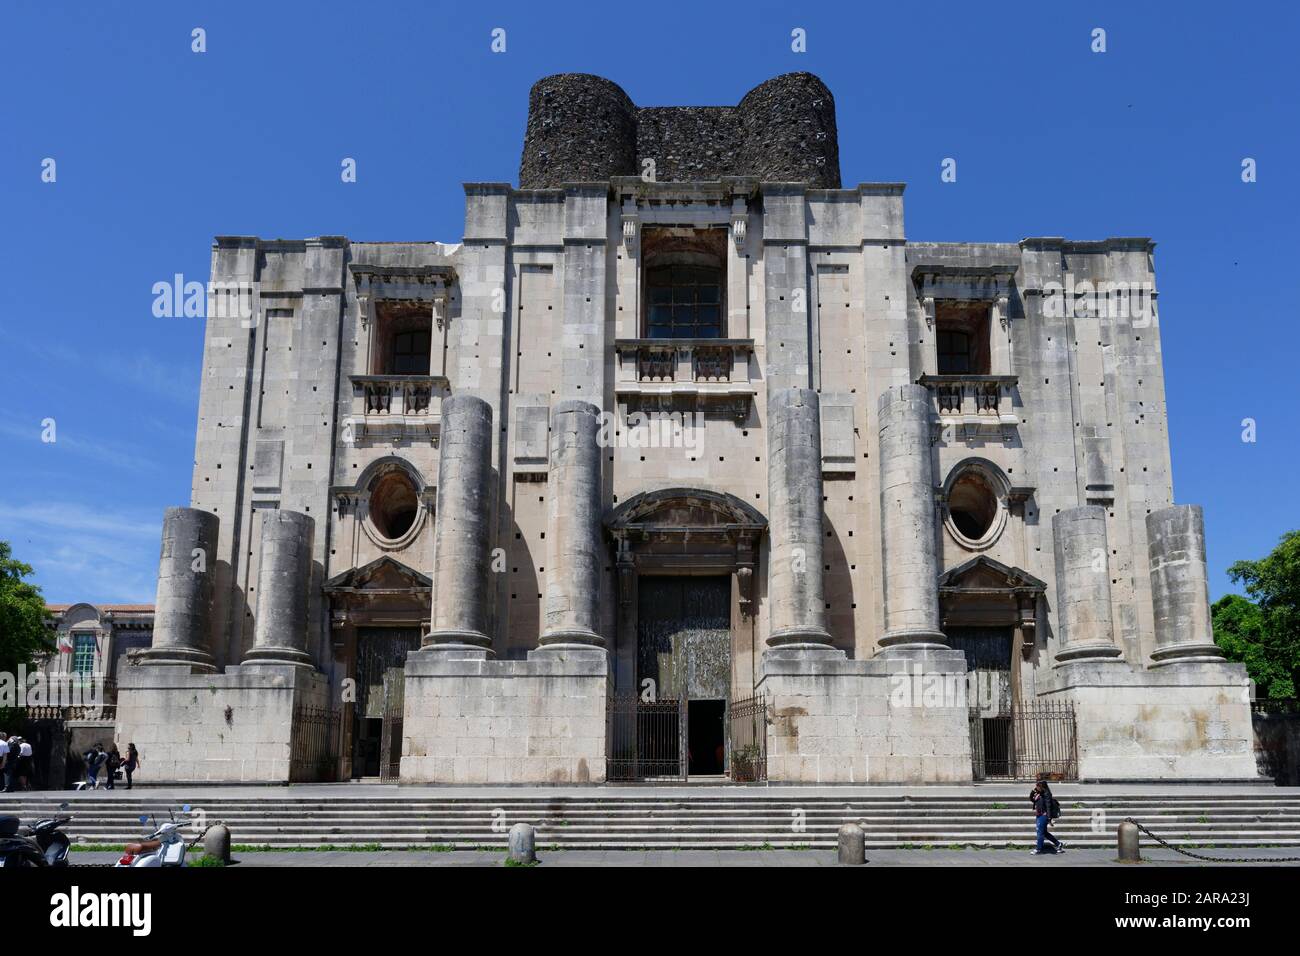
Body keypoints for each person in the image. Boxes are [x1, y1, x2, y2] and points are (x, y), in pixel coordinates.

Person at [1030, 779, 1064, 854]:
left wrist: (1049, 818)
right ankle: (1059, 844)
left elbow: (1048, 806)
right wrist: (1033, 791)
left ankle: (1039, 849)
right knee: (1044, 832)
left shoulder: (1047, 794)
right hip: (1039, 815)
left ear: (1042, 786)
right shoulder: (1039, 793)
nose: (1036, 787)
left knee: (1040, 832)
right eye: (1036, 786)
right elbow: (1032, 800)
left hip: (1043, 815)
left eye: (1038, 786)